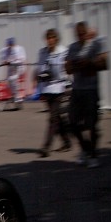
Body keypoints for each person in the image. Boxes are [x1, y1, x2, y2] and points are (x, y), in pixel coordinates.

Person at [65, 21, 109, 168]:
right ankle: (85, 148)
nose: (81, 36)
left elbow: (104, 64)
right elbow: (68, 68)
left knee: (91, 125)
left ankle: (93, 154)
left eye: (83, 33)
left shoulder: (95, 45)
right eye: (78, 34)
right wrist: (72, 65)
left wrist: (89, 63)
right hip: (77, 89)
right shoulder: (73, 47)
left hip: (91, 89)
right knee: (72, 122)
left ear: (87, 33)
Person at [36, 29, 72, 157]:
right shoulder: (42, 52)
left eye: (52, 38)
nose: (50, 40)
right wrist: (40, 83)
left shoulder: (63, 51)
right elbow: (39, 69)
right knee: (57, 118)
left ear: (56, 39)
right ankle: (67, 142)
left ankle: (46, 147)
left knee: (52, 118)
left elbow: (66, 70)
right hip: (47, 88)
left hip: (59, 87)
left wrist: (67, 83)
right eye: (48, 38)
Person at [0, 37, 26, 110]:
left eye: (11, 44)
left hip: (17, 69)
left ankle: (18, 100)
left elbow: (21, 60)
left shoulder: (19, 49)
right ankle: (16, 99)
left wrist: (11, 62)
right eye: (9, 44)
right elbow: (3, 59)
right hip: (10, 69)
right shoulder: (5, 50)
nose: (10, 46)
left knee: (15, 84)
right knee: (10, 84)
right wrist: (5, 62)